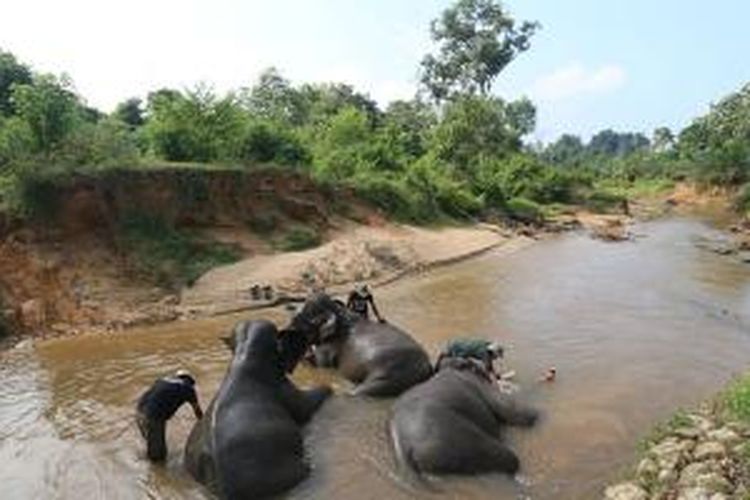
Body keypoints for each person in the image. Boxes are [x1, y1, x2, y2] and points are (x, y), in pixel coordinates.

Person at [136, 369, 203, 462]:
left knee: (152, 448)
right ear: (190, 380)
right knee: (159, 457)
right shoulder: (188, 388)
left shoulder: (163, 380)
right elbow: (197, 411)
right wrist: (203, 425)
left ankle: (144, 465)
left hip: (139, 412)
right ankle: (155, 473)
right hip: (153, 416)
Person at [436, 338, 504, 381]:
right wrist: (492, 380)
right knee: (464, 365)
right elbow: (488, 368)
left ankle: (436, 369)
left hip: (457, 342)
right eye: (496, 356)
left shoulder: (485, 344)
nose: (496, 358)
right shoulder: (484, 353)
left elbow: (489, 365)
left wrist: (496, 375)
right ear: (493, 352)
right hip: (458, 349)